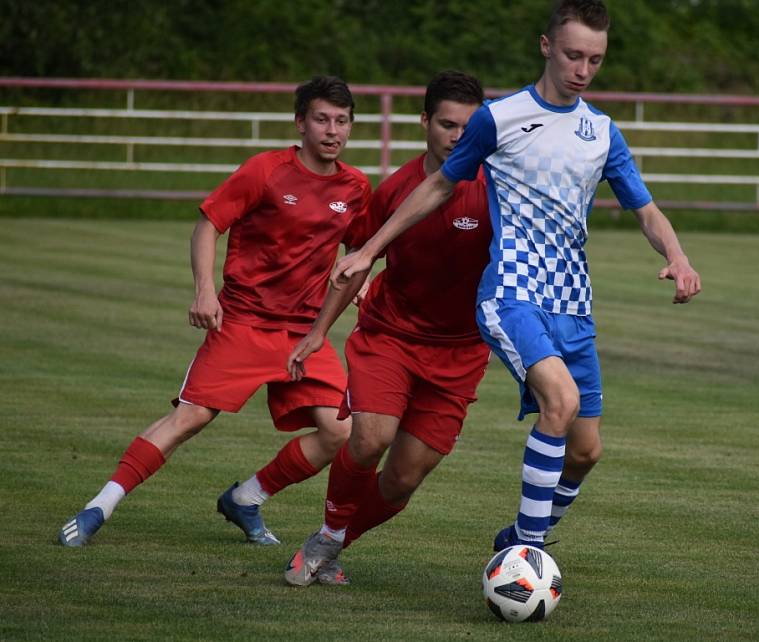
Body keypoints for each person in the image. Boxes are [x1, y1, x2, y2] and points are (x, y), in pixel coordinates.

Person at [328, 0, 702, 554]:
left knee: (585, 451)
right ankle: (527, 550)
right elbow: (438, 187)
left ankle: (523, 536)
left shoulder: (600, 132)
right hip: (513, 291)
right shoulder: (498, 119)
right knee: (559, 402)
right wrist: (370, 251)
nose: (583, 69)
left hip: (572, 301)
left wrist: (679, 255)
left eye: (595, 60)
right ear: (547, 46)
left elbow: (645, 209)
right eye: (574, 54)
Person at [58, 76, 372, 553]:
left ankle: (246, 498)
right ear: (300, 123)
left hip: (305, 335)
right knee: (190, 418)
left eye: (342, 121)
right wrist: (205, 291)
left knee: (341, 431)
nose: (333, 130)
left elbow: (357, 250)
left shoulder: (355, 187)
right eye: (322, 119)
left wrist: (362, 278)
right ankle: (100, 504)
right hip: (242, 323)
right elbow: (209, 223)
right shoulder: (264, 171)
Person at [282, 71, 490, 586]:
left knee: (401, 481)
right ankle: (330, 533)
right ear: (424, 122)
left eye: (469, 126)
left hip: (461, 354)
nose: (457, 136)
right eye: (446, 124)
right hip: (390, 338)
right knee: (371, 438)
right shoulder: (397, 190)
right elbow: (358, 264)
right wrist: (318, 330)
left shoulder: (501, 191)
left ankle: (330, 544)